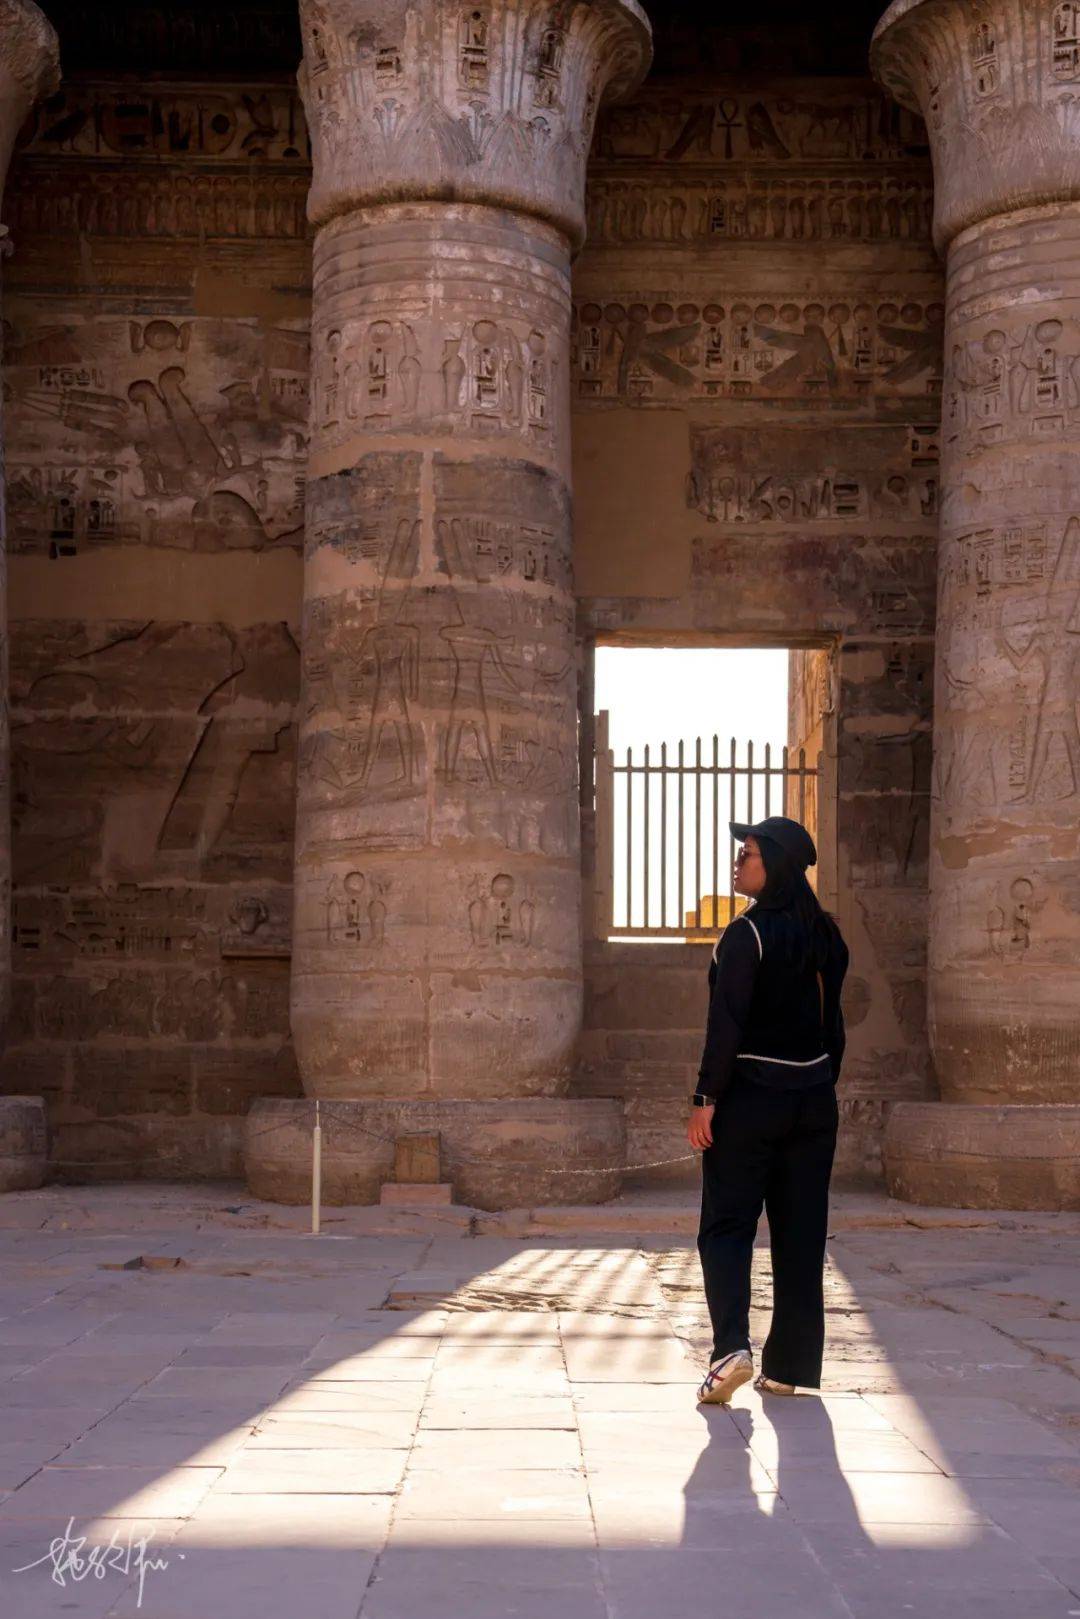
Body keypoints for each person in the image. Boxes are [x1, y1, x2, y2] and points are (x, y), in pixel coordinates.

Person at [687, 815, 849, 1405]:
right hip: (812, 1102)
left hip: (750, 1100)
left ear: (773, 865)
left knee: (727, 1226)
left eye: (748, 853)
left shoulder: (745, 935)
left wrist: (706, 1100)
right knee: (802, 1233)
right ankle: (791, 1366)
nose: (738, 862)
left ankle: (730, 1348)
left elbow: (724, 1027)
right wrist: (821, 1086)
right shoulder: (827, 938)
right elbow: (834, 1028)